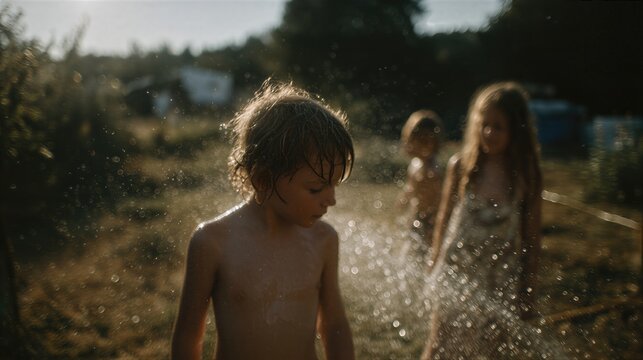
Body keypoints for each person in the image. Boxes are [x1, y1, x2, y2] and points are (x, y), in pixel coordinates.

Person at [171, 80, 356, 360]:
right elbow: (187, 336)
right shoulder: (213, 243)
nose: (331, 199)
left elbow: (334, 325)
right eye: (316, 188)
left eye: (335, 186)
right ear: (263, 180)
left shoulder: (323, 240)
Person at [421, 82, 563, 359]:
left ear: (516, 130)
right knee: (441, 345)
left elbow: (532, 240)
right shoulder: (461, 166)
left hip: (500, 280)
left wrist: (527, 289)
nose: (488, 133)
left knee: (490, 350)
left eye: (498, 127)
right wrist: (434, 263)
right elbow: (443, 221)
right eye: (483, 124)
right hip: (457, 272)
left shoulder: (527, 176)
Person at [396, 109, 444, 258]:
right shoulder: (416, 164)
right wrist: (404, 200)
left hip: (429, 221)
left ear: (431, 143)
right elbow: (411, 188)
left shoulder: (432, 171)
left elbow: (440, 200)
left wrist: (435, 226)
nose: (409, 146)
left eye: (414, 141)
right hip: (417, 218)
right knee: (410, 254)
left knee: (422, 256)